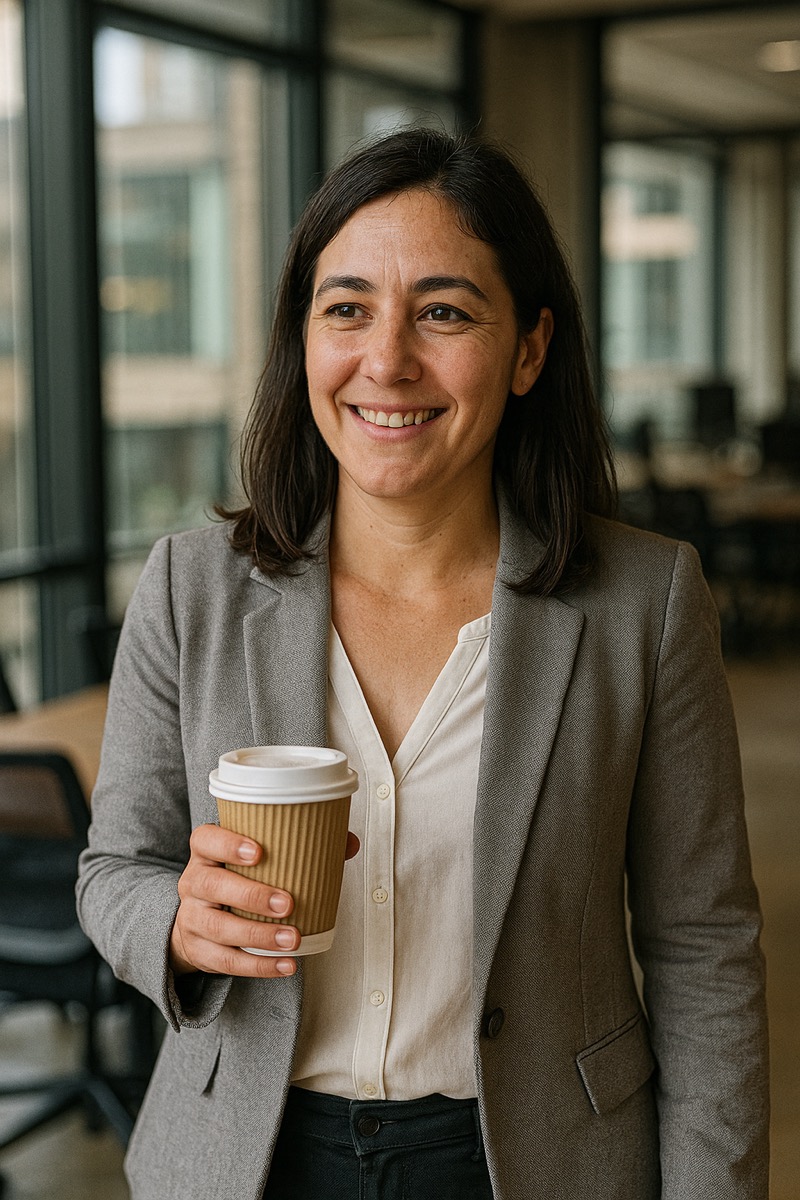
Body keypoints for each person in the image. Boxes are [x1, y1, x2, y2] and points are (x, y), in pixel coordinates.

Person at [76, 127, 769, 1200]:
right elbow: (114, 868)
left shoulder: (645, 602)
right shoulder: (190, 586)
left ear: (528, 350)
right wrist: (175, 921)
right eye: (345, 309)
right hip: (245, 1156)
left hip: (534, 1159)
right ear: (303, 339)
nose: (387, 359)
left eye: (443, 312)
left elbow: (703, 948)